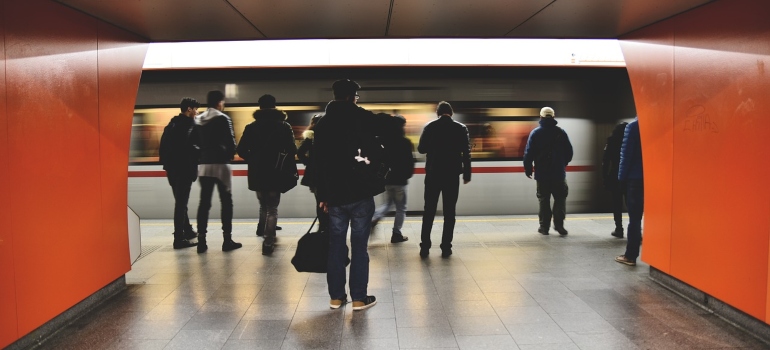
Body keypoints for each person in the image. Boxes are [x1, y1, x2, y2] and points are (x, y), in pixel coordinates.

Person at [314, 79, 393, 311]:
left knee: (336, 246)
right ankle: (359, 298)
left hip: (334, 196)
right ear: (352, 97)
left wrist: (323, 195)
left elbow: (318, 163)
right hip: (360, 192)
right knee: (360, 247)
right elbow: (388, 127)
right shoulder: (362, 117)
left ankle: (336, 298)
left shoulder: (323, 124)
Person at [236, 94, 296, 255]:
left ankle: (261, 229)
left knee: (263, 204)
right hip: (276, 172)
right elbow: (292, 149)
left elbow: (241, 150)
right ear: (274, 106)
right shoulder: (284, 126)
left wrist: (253, 159)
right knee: (272, 208)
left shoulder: (251, 127)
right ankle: (268, 241)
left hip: (257, 172)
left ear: (260, 107)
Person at [417, 101, 471, 258]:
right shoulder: (461, 128)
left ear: (437, 113)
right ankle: (446, 247)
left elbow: (421, 149)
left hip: (433, 174)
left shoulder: (430, 127)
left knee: (429, 211)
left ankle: (425, 247)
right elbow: (466, 153)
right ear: (451, 113)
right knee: (449, 212)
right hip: (452, 175)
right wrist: (467, 174)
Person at [195, 90, 242, 253]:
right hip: (221, 165)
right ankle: (227, 240)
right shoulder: (223, 118)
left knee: (204, 203)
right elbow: (231, 142)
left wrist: (202, 155)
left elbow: (193, 142)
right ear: (219, 102)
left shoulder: (198, 119)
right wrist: (228, 156)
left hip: (204, 165)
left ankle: (201, 241)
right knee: (226, 202)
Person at [523, 106, 574, 236]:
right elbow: (569, 152)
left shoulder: (535, 133)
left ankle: (544, 227)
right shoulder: (561, 133)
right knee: (560, 198)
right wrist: (562, 163)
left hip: (542, 174)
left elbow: (528, 153)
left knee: (544, 199)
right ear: (553, 117)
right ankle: (559, 226)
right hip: (558, 174)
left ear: (541, 117)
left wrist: (528, 168)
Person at [158, 97, 200, 249]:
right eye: (196, 109)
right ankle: (178, 239)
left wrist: (167, 165)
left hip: (172, 170)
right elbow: (194, 148)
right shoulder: (189, 125)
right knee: (181, 204)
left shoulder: (172, 124)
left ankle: (187, 230)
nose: (197, 112)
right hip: (184, 169)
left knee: (180, 201)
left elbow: (162, 147)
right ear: (189, 109)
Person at [371, 116, 414, 243]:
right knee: (401, 208)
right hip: (400, 181)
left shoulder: (385, 140)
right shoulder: (405, 142)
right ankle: (396, 233)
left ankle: (374, 218)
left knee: (387, 204)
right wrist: (407, 175)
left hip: (387, 180)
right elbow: (410, 162)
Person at [615, 117, 643, 266]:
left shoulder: (633, 126)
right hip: (657, 179)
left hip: (635, 180)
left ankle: (630, 256)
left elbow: (625, 156)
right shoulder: (659, 124)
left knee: (635, 219)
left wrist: (621, 179)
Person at [297, 114, 329, 234]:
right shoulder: (330, 136)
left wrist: (309, 164)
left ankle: (322, 226)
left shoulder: (311, 136)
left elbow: (300, 152)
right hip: (329, 174)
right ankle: (328, 226)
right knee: (330, 201)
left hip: (315, 175)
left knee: (319, 201)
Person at [602, 122, 628, 238]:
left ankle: (619, 229)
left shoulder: (611, 141)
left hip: (615, 175)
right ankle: (635, 230)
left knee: (616, 204)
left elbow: (605, 161)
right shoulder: (630, 141)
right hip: (629, 176)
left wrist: (605, 177)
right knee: (631, 204)